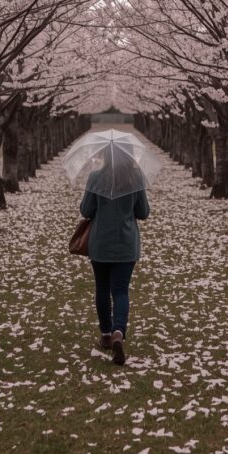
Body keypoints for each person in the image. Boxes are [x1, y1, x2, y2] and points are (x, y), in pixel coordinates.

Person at [79, 147, 150, 366]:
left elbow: (85, 210)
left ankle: (106, 334)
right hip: (126, 244)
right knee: (120, 290)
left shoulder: (96, 177)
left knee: (102, 288)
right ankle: (119, 331)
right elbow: (143, 212)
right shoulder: (135, 177)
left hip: (100, 244)